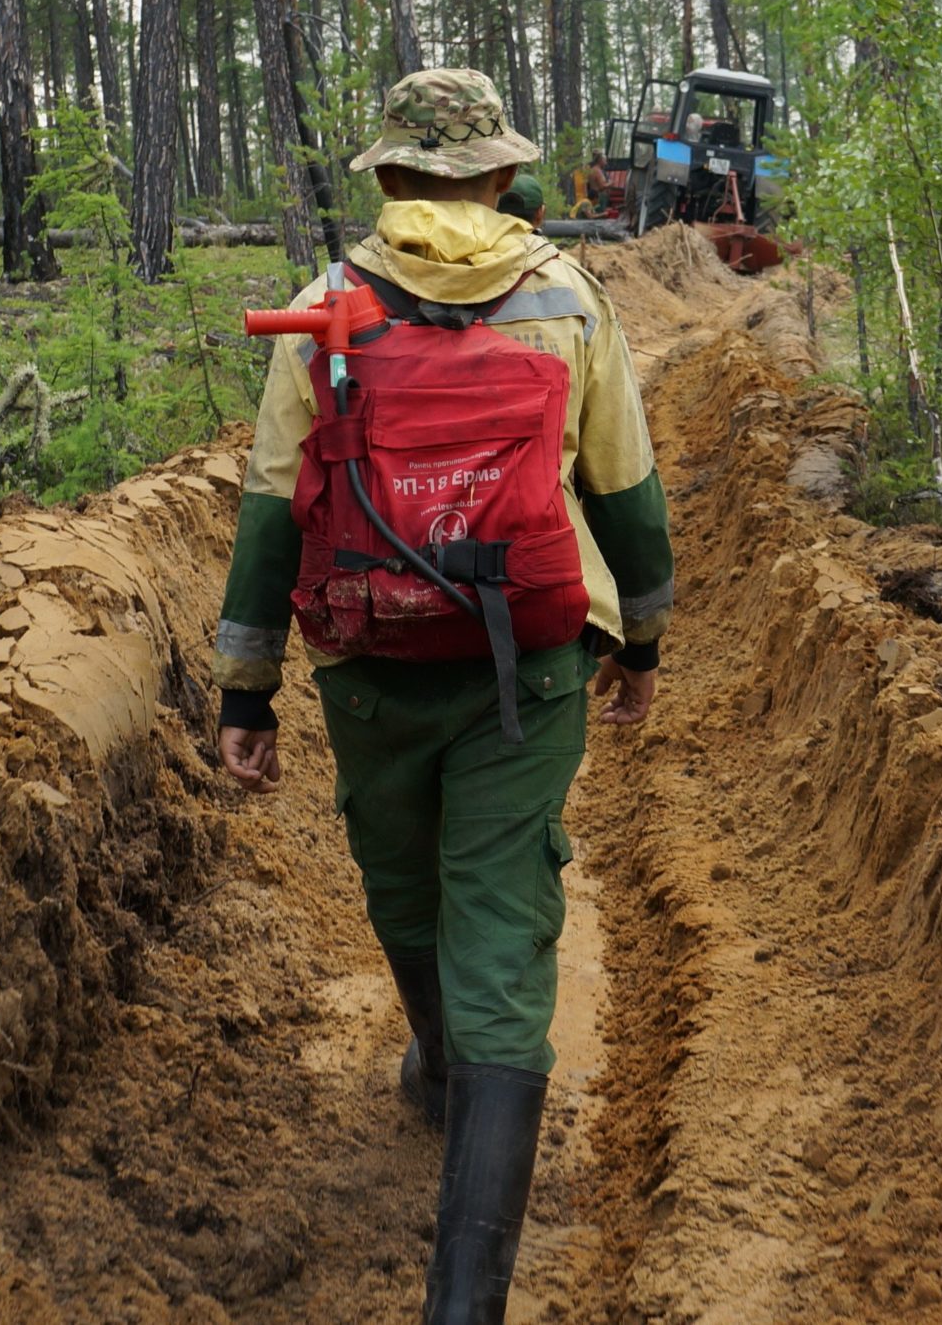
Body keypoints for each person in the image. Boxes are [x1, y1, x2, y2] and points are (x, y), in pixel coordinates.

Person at [214, 68, 674, 1324]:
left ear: (392, 178)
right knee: (504, 913)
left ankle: (433, 1057)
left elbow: (269, 509)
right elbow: (625, 487)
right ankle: (464, 1300)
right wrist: (642, 641)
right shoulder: (570, 299)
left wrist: (246, 693)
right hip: (528, 659)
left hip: (368, 661)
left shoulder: (325, 310)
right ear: (497, 177)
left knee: (400, 880)